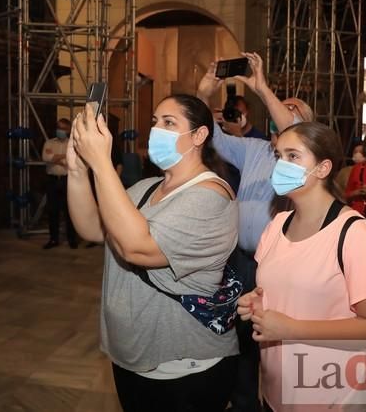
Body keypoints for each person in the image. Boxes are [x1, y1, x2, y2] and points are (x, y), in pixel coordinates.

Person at [67, 95, 239, 412]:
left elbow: (137, 247)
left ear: (200, 136)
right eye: (155, 122)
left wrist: (103, 162)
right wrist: (78, 169)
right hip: (132, 354)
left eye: (170, 123)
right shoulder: (147, 187)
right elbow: (92, 227)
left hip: (183, 365)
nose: (157, 129)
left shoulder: (211, 196)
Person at [237, 122, 366, 412]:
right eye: (278, 155)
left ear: (322, 169)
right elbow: (282, 287)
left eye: (293, 156)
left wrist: (292, 329)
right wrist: (256, 301)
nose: (280, 165)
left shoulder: (355, 233)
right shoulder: (277, 225)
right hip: (278, 388)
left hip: (334, 392)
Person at [197, 52, 313, 412]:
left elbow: (293, 131)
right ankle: (245, 402)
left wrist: (263, 89)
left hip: (281, 263)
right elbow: (208, 135)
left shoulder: (309, 158)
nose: (285, 114)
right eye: (282, 108)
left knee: (277, 337)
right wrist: (203, 96)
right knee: (240, 337)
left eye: (293, 112)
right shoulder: (255, 149)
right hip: (241, 260)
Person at [42, 118, 78, 249]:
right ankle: (53, 239)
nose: (60, 131)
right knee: (52, 211)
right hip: (52, 180)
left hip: (67, 180)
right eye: (58, 127)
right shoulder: (49, 143)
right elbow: (46, 158)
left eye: (63, 128)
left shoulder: (72, 145)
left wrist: (55, 157)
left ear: (68, 130)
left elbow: (72, 161)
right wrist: (63, 157)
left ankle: (72, 239)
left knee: (69, 211)